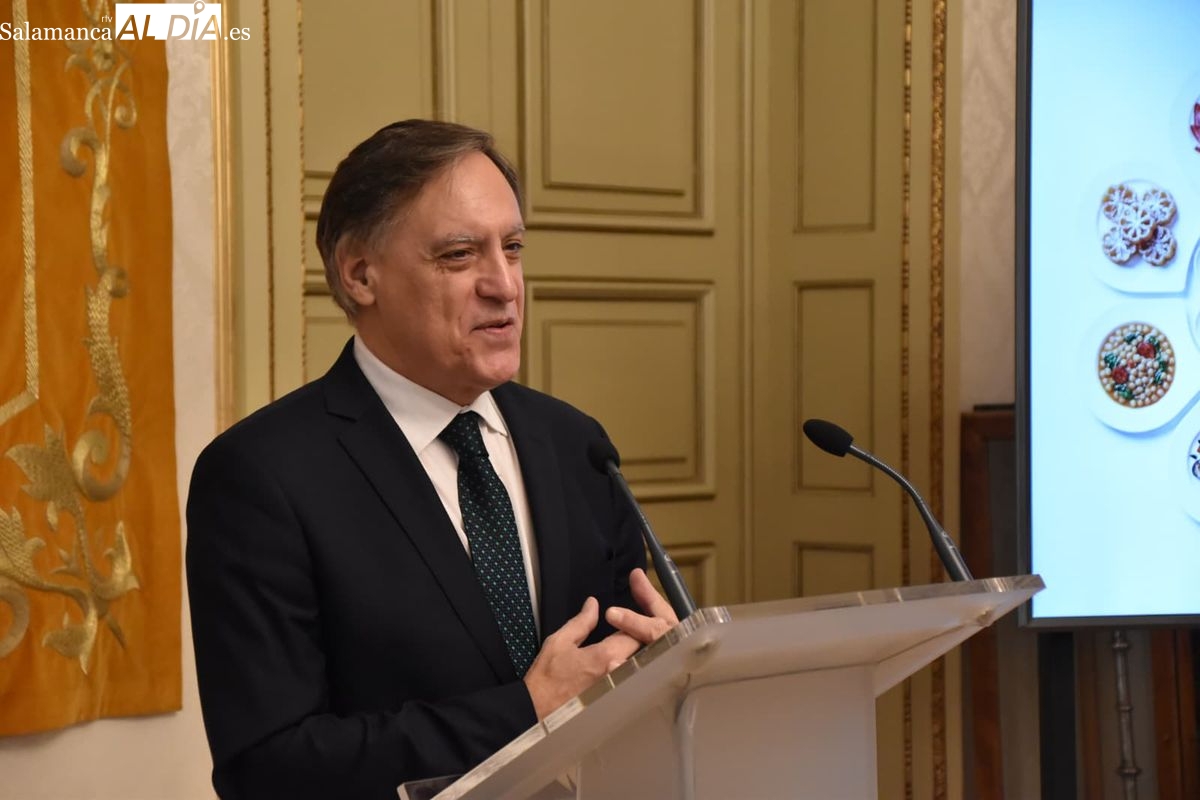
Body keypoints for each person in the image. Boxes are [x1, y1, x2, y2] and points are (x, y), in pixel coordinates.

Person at [185, 119, 678, 800]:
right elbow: (267, 768)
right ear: (360, 273)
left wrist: (669, 668)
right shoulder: (259, 476)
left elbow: (618, 663)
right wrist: (526, 709)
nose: (505, 285)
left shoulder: (576, 443)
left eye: (512, 248)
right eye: (459, 255)